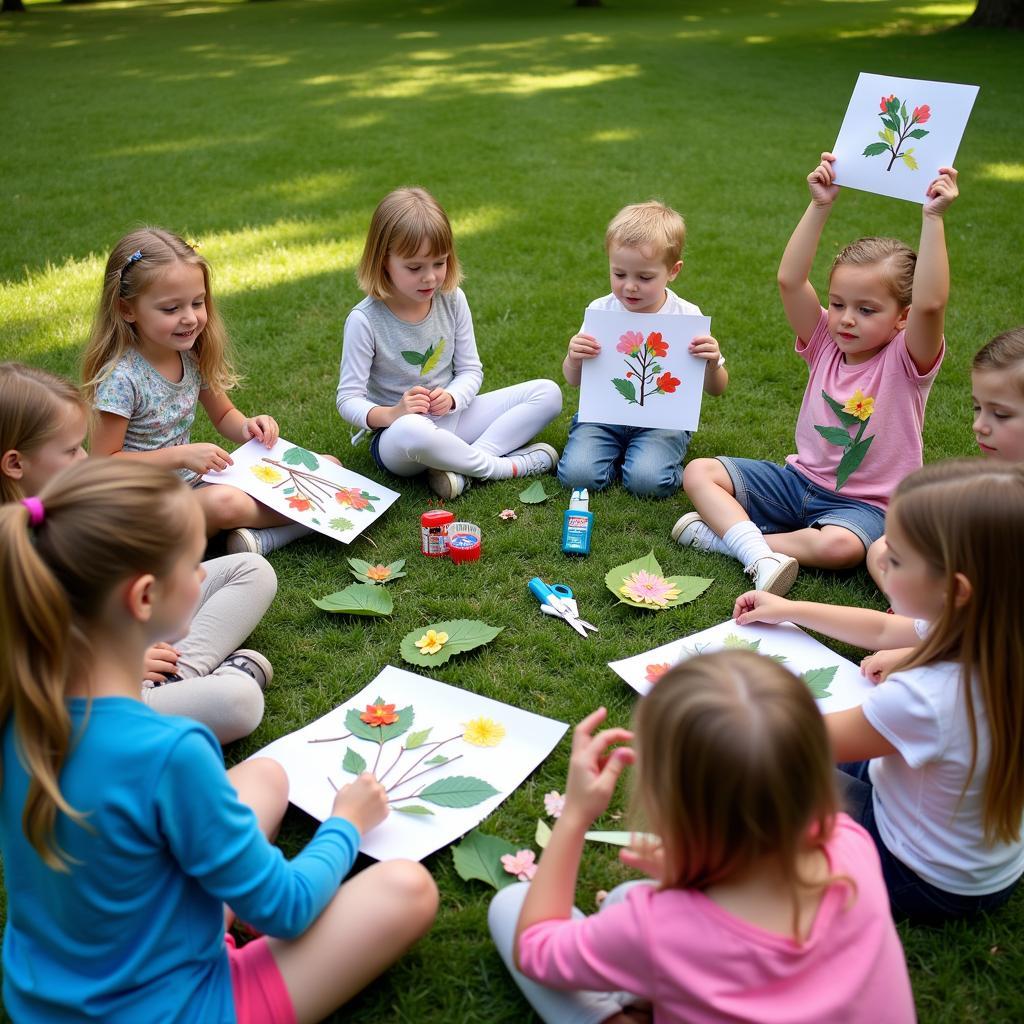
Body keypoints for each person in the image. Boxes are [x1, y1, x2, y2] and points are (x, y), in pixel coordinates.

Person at [0, 459, 438, 1022]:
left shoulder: (22, 707)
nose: (204, 575)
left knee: (268, 775)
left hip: (44, 999)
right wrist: (346, 823)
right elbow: (288, 909)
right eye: (193, 565)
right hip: (176, 1007)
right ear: (143, 598)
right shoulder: (170, 751)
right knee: (407, 888)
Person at [488, 652, 914, 1024]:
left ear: (667, 797)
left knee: (512, 905)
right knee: (625, 898)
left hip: (663, 942)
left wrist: (575, 817)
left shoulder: (658, 926)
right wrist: (687, 871)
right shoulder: (847, 842)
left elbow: (535, 949)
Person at [733, 460, 1024, 924]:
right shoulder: (992, 631)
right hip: (980, 861)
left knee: (755, 775)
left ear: (955, 589)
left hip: (920, 877)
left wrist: (737, 694)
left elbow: (802, 740)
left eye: (899, 558)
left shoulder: (925, 696)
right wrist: (789, 609)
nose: (881, 555)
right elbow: (883, 627)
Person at [677, 152, 958, 596]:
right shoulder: (825, 339)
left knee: (841, 549)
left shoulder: (907, 360)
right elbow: (790, 280)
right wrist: (820, 205)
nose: (846, 318)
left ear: (902, 318)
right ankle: (756, 550)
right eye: (840, 303)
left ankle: (736, 542)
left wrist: (934, 218)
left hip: (865, 506)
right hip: (797, 482)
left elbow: (931, 304)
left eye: (867, 310)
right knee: (699, 472)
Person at [0, 361, 274, 744]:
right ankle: (180, 682)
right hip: (86, 697)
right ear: (15, 464)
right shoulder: (13, 545)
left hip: (118, 646)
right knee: (240, 701)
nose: (84, 458)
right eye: (70, 450)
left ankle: (178, 677)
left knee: (251, 570)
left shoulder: (65, 506)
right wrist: (116, 663)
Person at [82, 227, 318, 557]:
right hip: (140, 509)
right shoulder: (122, 379)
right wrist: (180, 456)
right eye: (170, 309)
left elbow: (224, 415)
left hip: (190, 486)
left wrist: (248, 426)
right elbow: (103, 464)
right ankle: (305, 519)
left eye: (197, 302)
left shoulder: (190, 355)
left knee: (321, 464)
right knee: (225, 502)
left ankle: (271, 532)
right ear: (127, 310)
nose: (190, 318)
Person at [336, 186, 563, 499]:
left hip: (453, 419)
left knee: (548, 393)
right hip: (400, 439)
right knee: (412, 429)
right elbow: (348, 399)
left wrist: (454, 398)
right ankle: (501, 467)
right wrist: (393, 413)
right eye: (415, 267)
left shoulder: (452, 299)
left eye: (439, 263)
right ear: (383, 261)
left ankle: (460, 468)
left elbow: (470, 369)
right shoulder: (364, 321)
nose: (430, 278)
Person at [556, 201, 728, 498]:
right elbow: (573, 379)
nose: (630, 287)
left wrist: (713, 364)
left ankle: (643, 459)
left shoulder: (686, 317)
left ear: (673, 271)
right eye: (619, 274)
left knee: (647, 483)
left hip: (663, 422)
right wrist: (574, 357)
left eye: (644, 277)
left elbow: (717, 389)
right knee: (577, 476)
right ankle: (616, 457)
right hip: (603, 417)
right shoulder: (602, 310)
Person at [865, 325, 1024, 596]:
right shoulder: (987, 481)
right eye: (978, 408)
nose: (979, 425)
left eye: (1000, 414)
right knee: (882, 548)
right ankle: (917, 610)